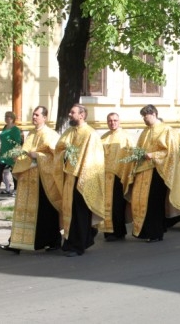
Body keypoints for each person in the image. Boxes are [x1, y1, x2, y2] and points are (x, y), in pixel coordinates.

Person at [0, 106, 61, 254]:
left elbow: (56, 157)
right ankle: (16, 242)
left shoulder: (51, 135)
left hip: (43, 180)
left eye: (37, 115)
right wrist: (18, 157)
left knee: (46, 211)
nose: (34, 117)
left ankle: (51, 241)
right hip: (28, 178)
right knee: (23, 210)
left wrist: (38, 156)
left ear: (45, 117)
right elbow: (25, 153)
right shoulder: (31, 133)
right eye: (33, 115)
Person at [124, 104, 180, 242]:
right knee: (139, 200)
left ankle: (155, 233)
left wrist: (153, 155)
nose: (144, 120)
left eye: (145, 116)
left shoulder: (167, 130)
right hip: (143, 171)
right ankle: (144, 231)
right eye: (143, 117)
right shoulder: (145, 131)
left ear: (153, 114)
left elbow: (171, 152)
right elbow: (140, 148)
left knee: (154, 203)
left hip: (158, 172)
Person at [54, 104, 106, 256]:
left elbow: (93, 158)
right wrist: (64, 154)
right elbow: (59, 149)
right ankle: (74, 240)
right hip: (70, 177)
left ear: (82, 115)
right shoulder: (69, 131)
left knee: (80, 213)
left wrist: (82, 175)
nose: (70, 114)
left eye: (73, 112)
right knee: (71, 211)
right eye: (70, 112)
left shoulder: (90, 134)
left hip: (83, 177)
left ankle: (78, 246)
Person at [101, 112, 133, 241]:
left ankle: (119, 232)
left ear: (119, 121)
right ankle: (108, 231)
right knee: (106, 205)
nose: (112, 123)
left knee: (117, 205)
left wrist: (126, 174)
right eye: (109, 120)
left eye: (115, 120)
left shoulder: (125, 137)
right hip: (104, 175)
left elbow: (130, 155)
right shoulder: (103, 137)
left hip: (119, 175)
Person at [0, 111, 22, 195]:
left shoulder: (15, 130)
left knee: (13, 172)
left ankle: (16, 189)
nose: (6, 118)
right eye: (5, 116)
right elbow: (3, 139)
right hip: (3, 153)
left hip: (11, 154)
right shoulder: (5, 127)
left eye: (8, 117)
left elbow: (18, 143)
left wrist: (16, 154)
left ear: (12, 118)